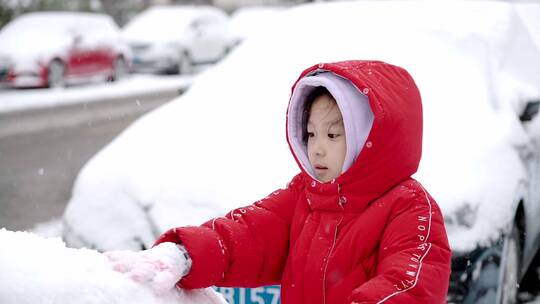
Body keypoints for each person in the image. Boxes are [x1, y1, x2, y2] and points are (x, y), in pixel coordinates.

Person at [106, 60, 452, 303]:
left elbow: (409, 287)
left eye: (333, 135)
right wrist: (185, 255)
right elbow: (247, 235)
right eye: (311, 133)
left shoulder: (409, 207)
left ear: (371, 137)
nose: (316, 147)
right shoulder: (306, 195)